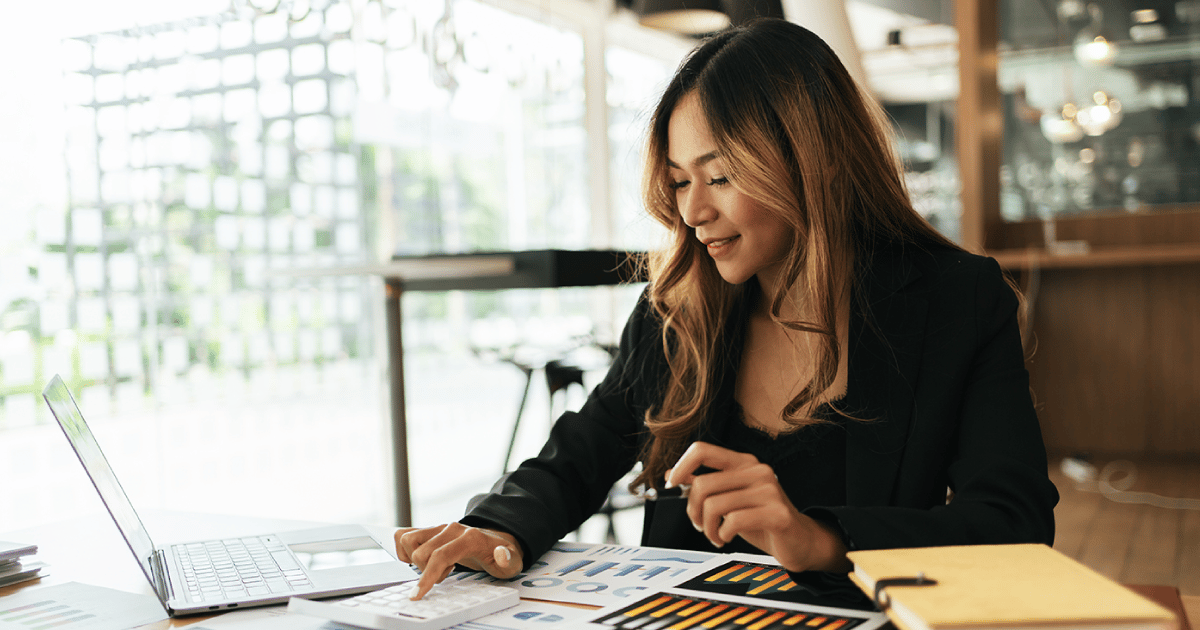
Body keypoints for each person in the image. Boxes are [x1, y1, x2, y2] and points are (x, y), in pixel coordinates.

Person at [395, 17, 1059, 601]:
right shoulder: (678, 308)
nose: (692, 211)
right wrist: (498, 527)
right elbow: (582, 452)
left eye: (719, 176)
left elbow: (1014, 524)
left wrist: (818, 539)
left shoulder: (956, 299)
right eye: (681, 181)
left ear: (809, 160)